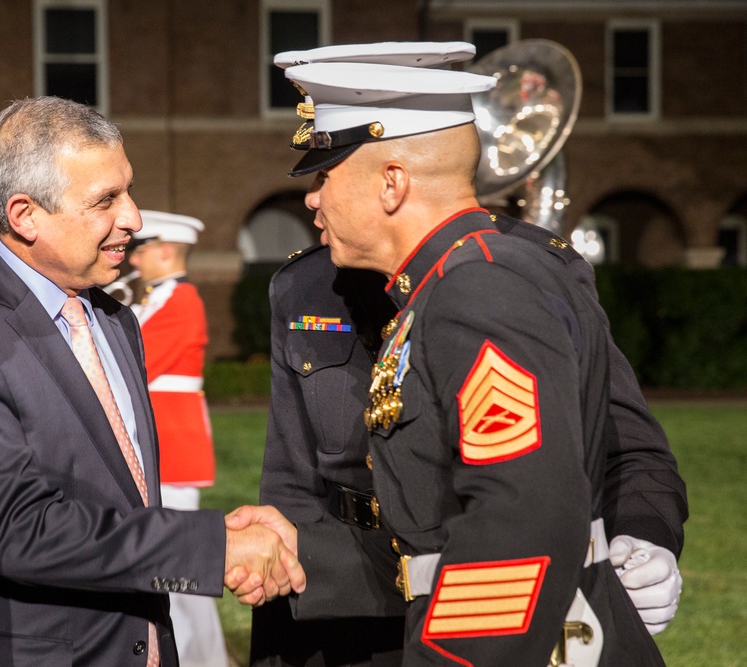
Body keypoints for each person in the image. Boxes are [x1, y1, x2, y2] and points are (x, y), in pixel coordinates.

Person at [245, 43, 687, 667]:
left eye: (325, 176)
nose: (312, 198)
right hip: (374, 604)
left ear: (392, 183)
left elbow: (522, 520)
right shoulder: (431, 282)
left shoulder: (478, 287)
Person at [0, 95, 305, 665]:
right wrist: (212, 547)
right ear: (25, 214)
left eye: (127, 191)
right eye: (106, 200)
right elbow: (21, 530)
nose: (133, 217)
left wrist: (207, 533)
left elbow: (117, 499)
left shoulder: (114, 318)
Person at [127, 210, 230, 667]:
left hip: (172, 444)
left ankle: (201, 659)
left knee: (179, 564)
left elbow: (138, 361)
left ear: (166, 251)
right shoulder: (159, 298)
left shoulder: (181, 300)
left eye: (142, 250)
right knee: (167, 561)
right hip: (164, 442)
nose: (134, 260)